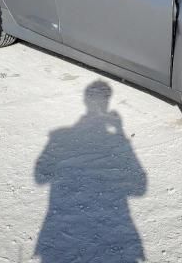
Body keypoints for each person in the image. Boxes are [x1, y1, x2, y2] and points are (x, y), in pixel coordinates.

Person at [34, 81, 147, 262]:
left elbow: (40, 176)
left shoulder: (59, 136)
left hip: (63, 234)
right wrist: (120, 133)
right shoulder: (112, 140)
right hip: (113, 227)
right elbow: (140, 188)